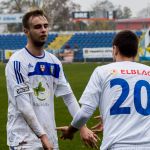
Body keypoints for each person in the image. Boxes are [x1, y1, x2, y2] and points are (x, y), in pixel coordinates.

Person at [5, 9, 98, 150]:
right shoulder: (17, 61)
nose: (43, 30)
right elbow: (23, 105)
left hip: (49, 138)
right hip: (24, 140)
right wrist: (42, 136)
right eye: (37, 27)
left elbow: (68, 96)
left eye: (45, 26)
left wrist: (82, 126)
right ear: (26, 31)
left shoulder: (54, 62)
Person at [57, 30, 150, 150]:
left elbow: (85, 112)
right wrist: (109, 118)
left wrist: (70, 131)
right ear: (136, 51)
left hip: (118, 144)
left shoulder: (102, 71)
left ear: (115, 49)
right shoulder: (148, 71)